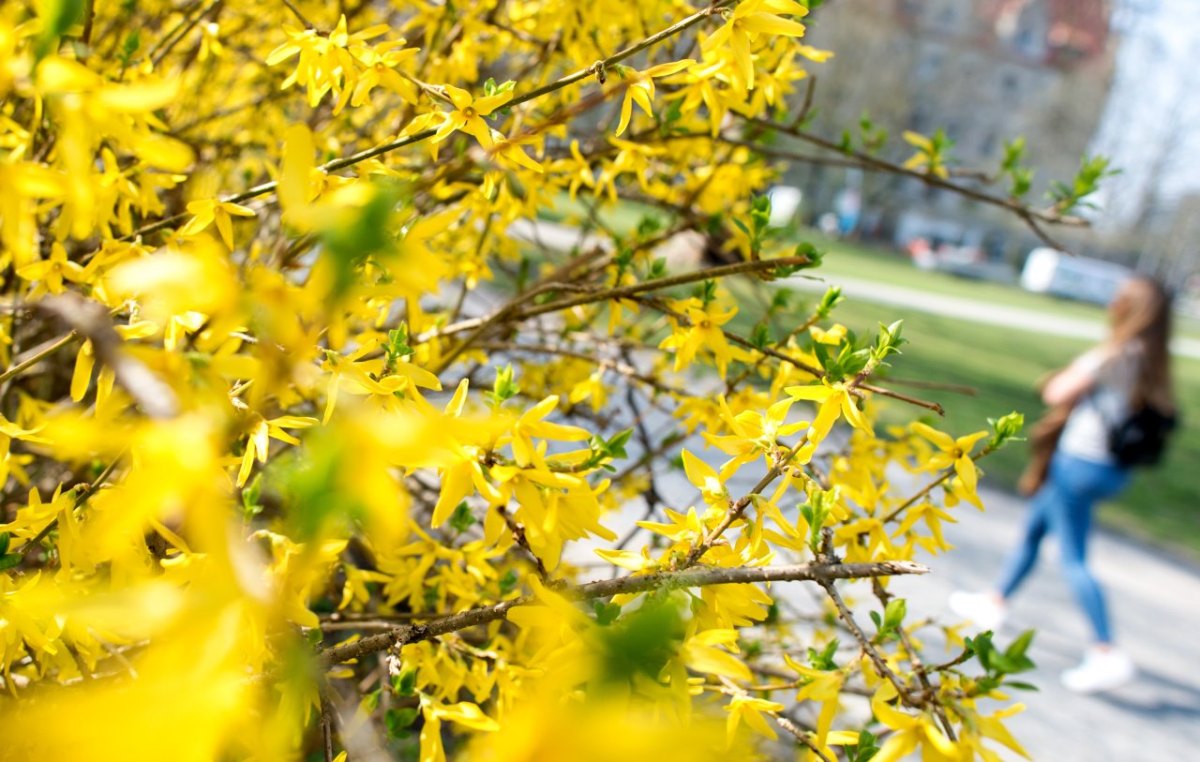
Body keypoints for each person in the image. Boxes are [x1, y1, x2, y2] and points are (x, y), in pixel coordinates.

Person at [950, 276, 1175, 694]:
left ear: (1128, 308)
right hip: (1111, 470)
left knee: (1074, 559)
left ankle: (1106, 650)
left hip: (1080, 463)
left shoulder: (1116, 353)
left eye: (1119, 296)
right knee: (1035, 530)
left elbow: (1057, 391)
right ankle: (995, 601)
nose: (1111, 301)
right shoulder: (1154, 360)